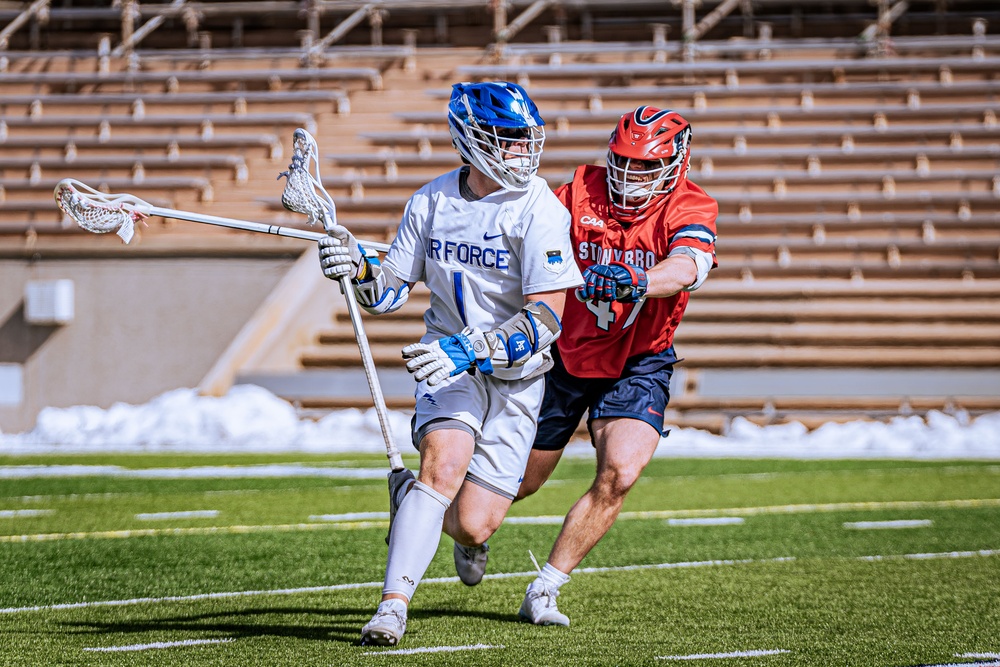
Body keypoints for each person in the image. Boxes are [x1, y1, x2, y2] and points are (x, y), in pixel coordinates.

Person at [316, 81, 583, 646]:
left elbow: (547, 320)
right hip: (450, 364)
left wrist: (475, 346)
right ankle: (392, 608)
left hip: (517, 378)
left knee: (471, 520)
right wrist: (359, 270)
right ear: (470, 141)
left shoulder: (540, 210)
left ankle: (429, 513)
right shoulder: (431, 200)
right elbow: (389, 292)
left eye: (524, 139)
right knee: (442, 463)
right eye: (506, 140)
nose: (520, 152)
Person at [512, 106, 719, 625]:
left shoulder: (691, 205)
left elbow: (688, 266)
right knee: (518, 484)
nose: (630, 176)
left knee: (622, 471)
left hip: (639, 361)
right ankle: (461, 530)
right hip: (564, 356)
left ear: (677, 164)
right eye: (623, 162)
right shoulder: (577, 191)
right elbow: (521, 236)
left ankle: (546, 588)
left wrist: (638, 281)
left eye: (647, 167)